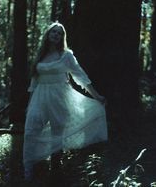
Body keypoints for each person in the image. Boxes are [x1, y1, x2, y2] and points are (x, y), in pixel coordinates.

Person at [23, 22, 108, 181]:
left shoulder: (66, 55)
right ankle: (28, 170)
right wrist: (30, 104)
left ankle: (55, 169)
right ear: (48, 35)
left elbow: (80, 76)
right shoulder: (41, 55)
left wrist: (96, 96)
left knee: (57, 133)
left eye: (59, 33)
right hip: (39, 96)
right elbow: (34, 82)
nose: (56, 35)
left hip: (59, 96)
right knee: (30, 131)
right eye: (53, 32)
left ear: (63, 37)